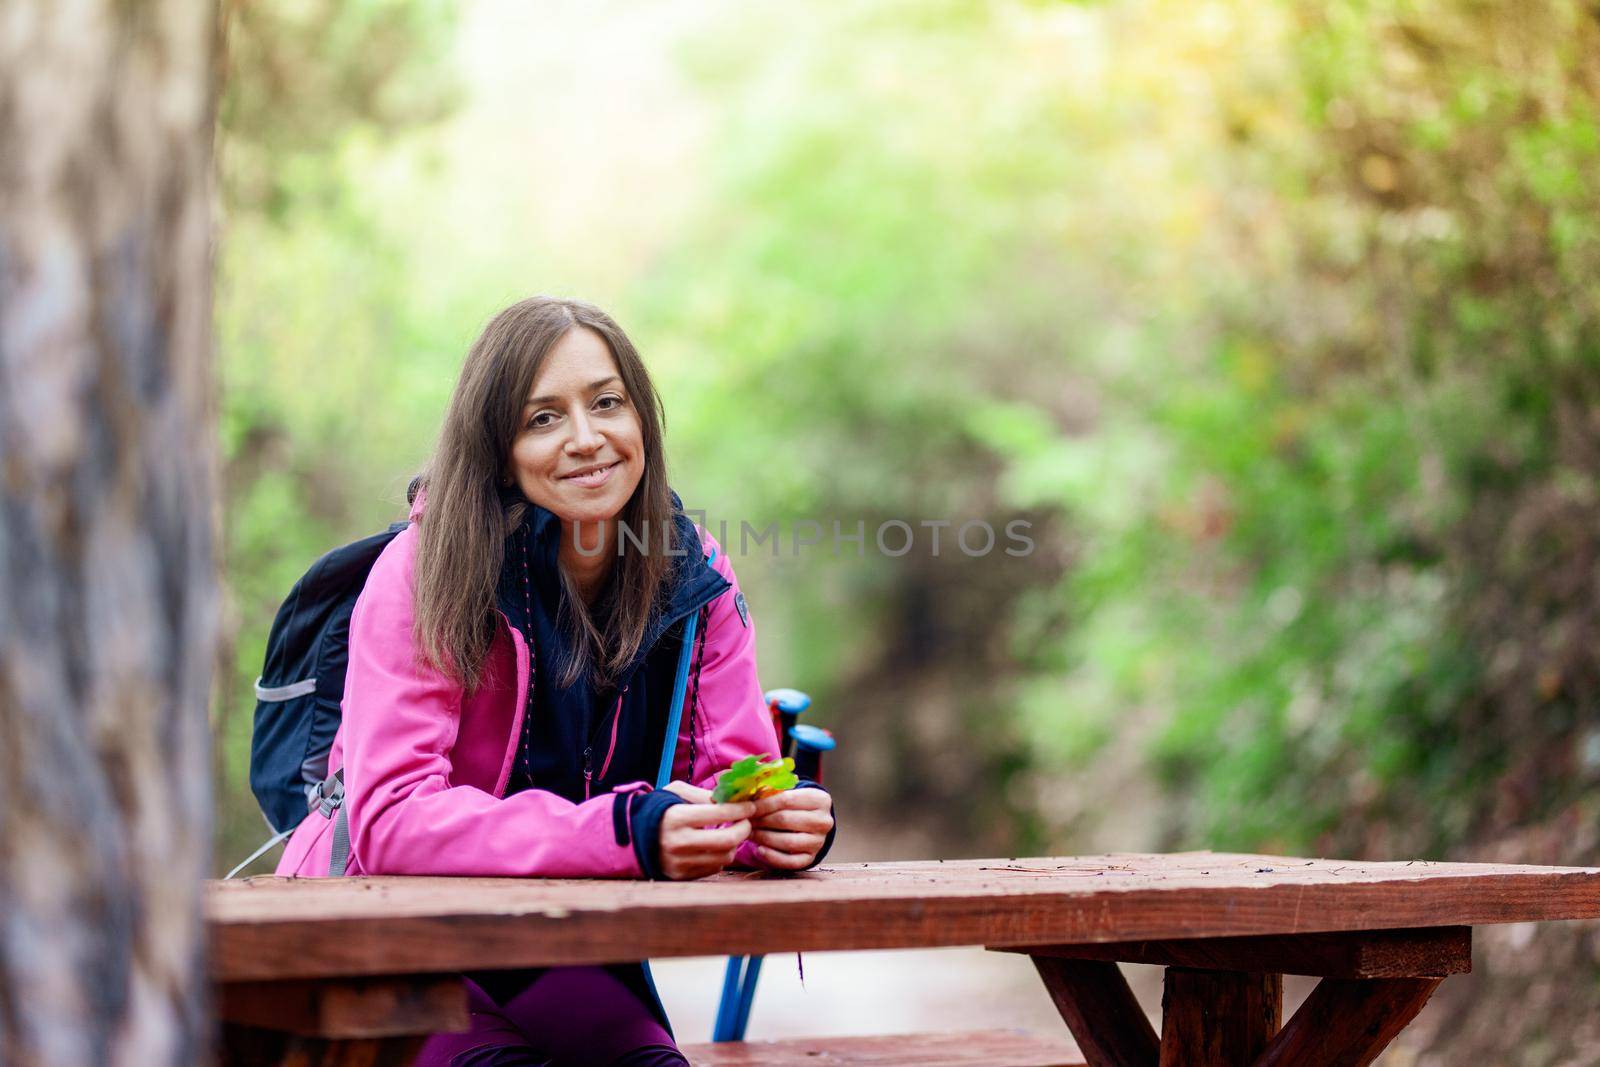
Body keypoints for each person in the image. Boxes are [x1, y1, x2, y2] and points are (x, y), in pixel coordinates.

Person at [273, 296, 837, 1066]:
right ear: (497, 447)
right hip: (392, 932)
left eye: (607, 403)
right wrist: (623, 831)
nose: (585, 438)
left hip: (556, 938)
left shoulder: (691, 576)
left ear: (642, 418)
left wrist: (773, 829)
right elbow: (393, 817)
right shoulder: (422, 571)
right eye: (543, 418)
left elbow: (718, 782)